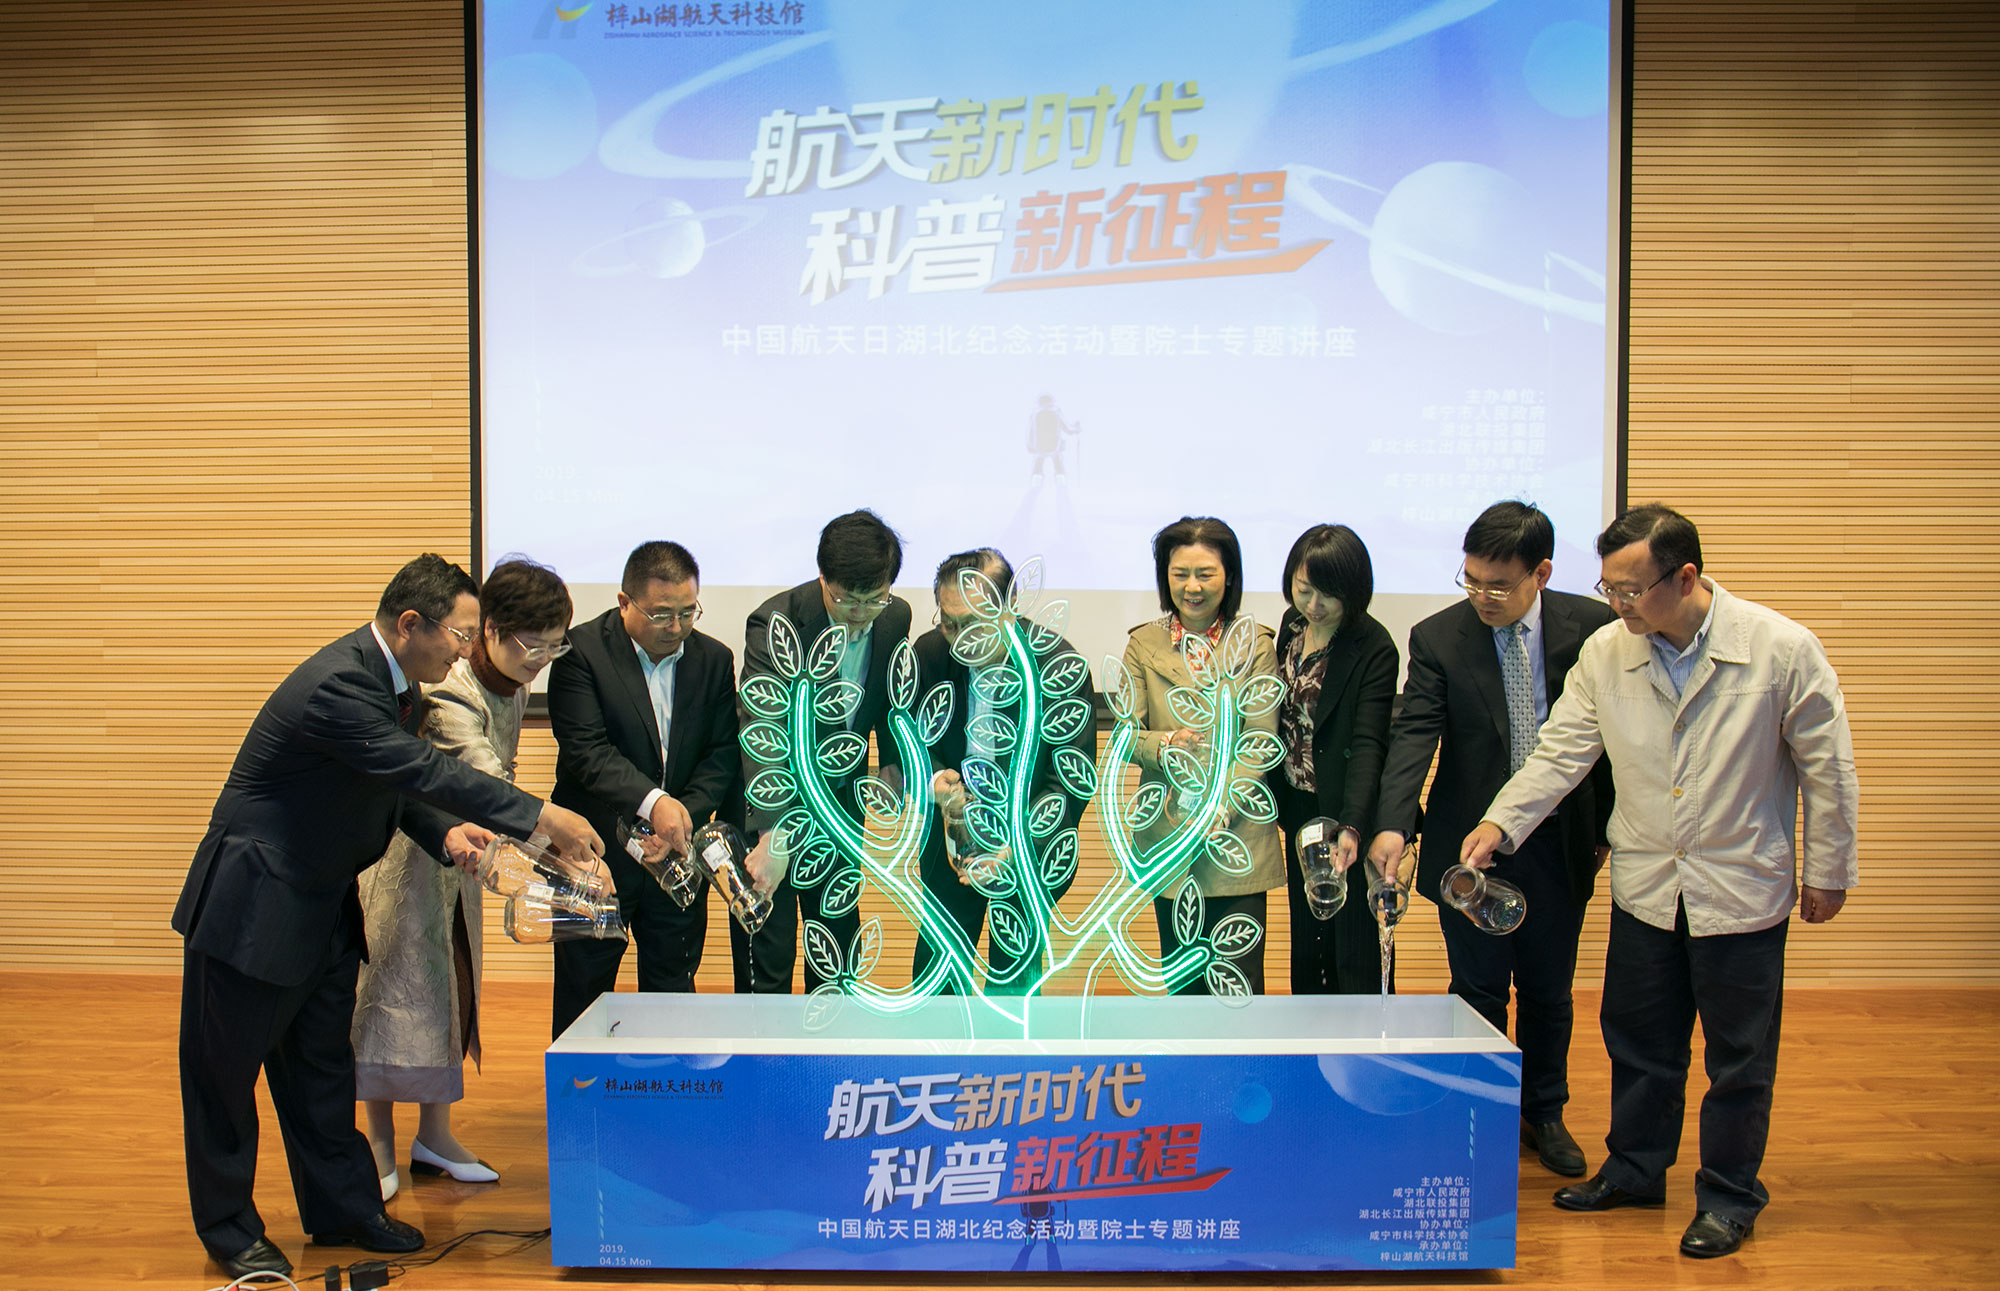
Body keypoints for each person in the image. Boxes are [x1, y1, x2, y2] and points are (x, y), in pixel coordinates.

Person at [172, 555, 602, 1282]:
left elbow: (395, 788)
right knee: (223, 1079)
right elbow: (422, 769)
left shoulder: (395, 683)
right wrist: (541, 816)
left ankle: (344, 1210)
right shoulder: (340, 683)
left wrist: (445, 832)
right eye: (458, 635)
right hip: (254, 908)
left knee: (321, 1072)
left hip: (321, 907)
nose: (463, 651)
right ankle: (229, 1230)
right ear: (410, 624)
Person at [1460, 504, 1859, 1259]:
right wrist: (1499, 823)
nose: (1617, 604)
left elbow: (1827, 768)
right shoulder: (1608, 652)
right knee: (1639, 1041)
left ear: (1685, 577)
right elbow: (1560, 753)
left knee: (1738, 1056)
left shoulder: (1780, 647)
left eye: (1631, 590)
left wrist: (1829, 869)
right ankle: (1636, 1169)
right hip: (1647, 884)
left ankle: (1729, 1197)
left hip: (1742, 885)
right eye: (1609, 589)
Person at [1368, 501, 1616, 1178]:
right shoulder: (1439, 637)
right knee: (1477, 987)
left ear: (1542, 573)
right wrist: (1394, 822)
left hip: (1559, 839)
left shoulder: (1594, 629)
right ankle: (1478, 1108)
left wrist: (1607, 827)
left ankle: (1543, 1111)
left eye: (1498, 585)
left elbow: (1613, 740)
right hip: (1467, 848)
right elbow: (1414, 734)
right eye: (1471, 580)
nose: (1482, 596)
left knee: (1548, 989)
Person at [353, 558, 575, 1200]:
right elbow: (485, 783)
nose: (542, 662)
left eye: (555, 647)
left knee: (450, 989)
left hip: (466, 853)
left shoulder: (512, 680)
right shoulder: (451, 691)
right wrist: (557, 848)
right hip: (408, 855)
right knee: (391, 993)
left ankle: (434, 1136)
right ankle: (377, 1140)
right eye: (533, 647)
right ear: (491, 630)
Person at [547, 541, 742, 1035]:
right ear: (624, 602)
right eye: (661, 614)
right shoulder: (580, 652)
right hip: (594, 855)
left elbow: (720, 753)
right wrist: (655, 805)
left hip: (675, 854)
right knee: (584, 991)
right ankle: (586, 1087)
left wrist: (680, 815)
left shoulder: (713, 659)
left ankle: (666, 1078)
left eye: (687, 612)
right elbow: (586, 751)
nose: (676, 627)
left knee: (672, 988)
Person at [738, 510, 913, 992]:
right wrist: (774, 834)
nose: (860, 613)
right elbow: (763, 725)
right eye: (846, 599)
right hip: (776, 804)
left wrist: (893, 767)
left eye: (873, 599)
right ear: (823, 577)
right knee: (770, 951)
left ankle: (832, 1040)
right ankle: (767, 1042)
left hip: (840, 807)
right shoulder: (777, 623)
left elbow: (891, 703)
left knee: (836, 949)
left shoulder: (895, 616)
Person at [912, 549, 1095, 994]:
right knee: (935, 987)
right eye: (949, 622)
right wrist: (935, 781)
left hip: (1027, 854)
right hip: (950, 848)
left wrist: (1018, 848)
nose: (960, 639)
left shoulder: (1057, 665)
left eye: (974, 624)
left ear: (1010, 607)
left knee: (1013, 993)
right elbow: (912, 741)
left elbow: (1067, 779)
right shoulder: (931, 653)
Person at [1121, 516, 1283, 993]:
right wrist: (1165, 743)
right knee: (1182, 986)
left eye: (1205, 574)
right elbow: (1127, 734)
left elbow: (1260, 739)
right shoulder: (1142, 644)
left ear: (1228, 577)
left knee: (1238, 984)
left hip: (1237, 834)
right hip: (1169, 835)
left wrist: (1221, 805)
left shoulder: (1255, 644)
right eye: (1180, 574)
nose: (1192, 587)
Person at [1268, 524, 1399, 994]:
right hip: (1300, 804)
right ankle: (1310, 1032)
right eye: (1304, 589)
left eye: (1329, 594)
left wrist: (1354, 824)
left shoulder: (1374, 646)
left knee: (1356, 947)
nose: (1314, 604)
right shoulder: (1291, 626)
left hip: (1348, 805)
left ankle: (1369, 1036)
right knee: (1310, 935)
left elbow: (1368, 742)